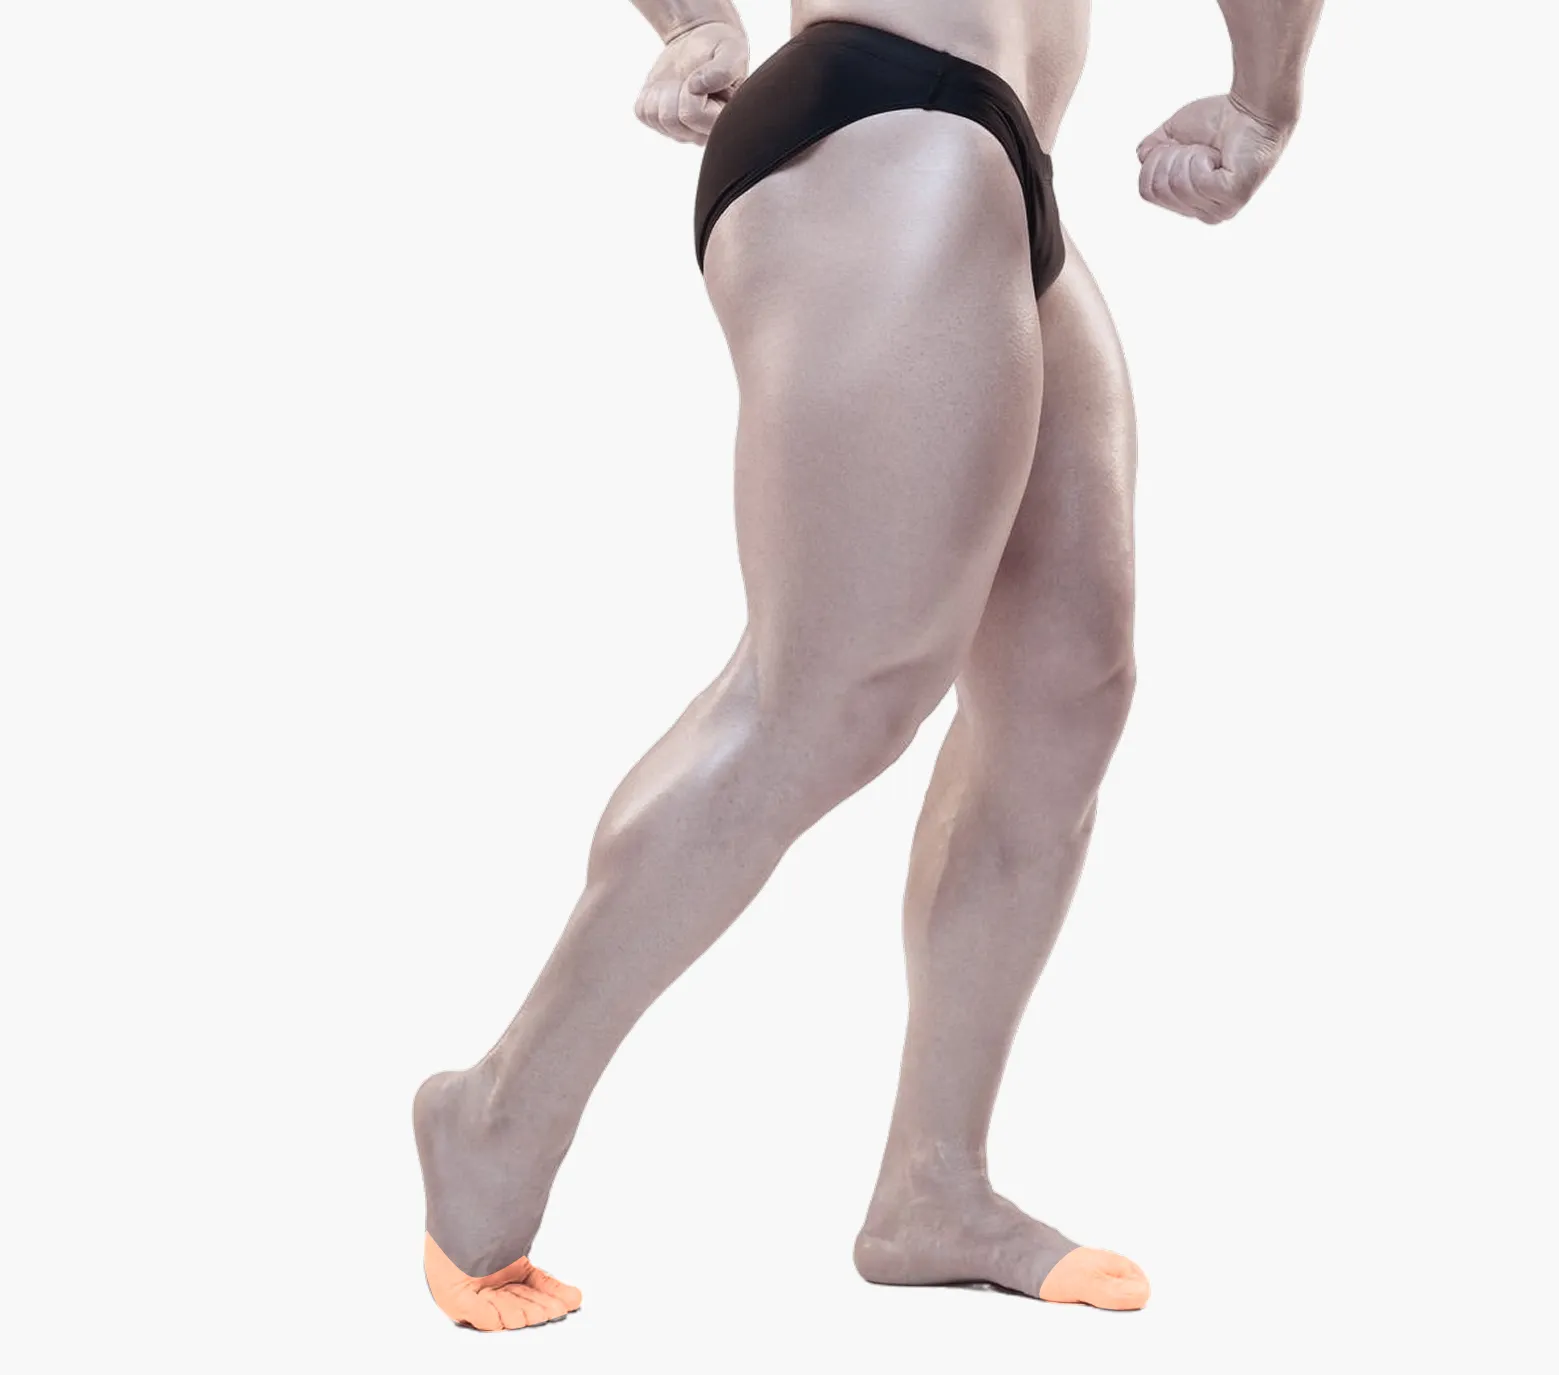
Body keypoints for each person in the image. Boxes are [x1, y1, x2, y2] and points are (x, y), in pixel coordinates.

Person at [415, 0, 1325, 1330]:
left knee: (1068, 688)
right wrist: (695, 23)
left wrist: (1260, 98)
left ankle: (933, 1189)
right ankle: (493, 1111)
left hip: (1000, 158)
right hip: (890, 118)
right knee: (828, 699)